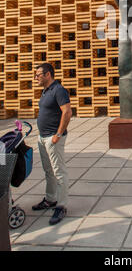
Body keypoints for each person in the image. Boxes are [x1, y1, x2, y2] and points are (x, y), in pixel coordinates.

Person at [32, 63, 72, 225]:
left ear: (48, 74)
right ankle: (50, 199)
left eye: (38, 75)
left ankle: (61, 206)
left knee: (59, 172)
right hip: (43, 138)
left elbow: (67, 111)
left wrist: (58, 134)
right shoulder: (46, 91)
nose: (36, 78)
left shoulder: (59, 90)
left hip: (53, 138)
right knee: (48, 171)